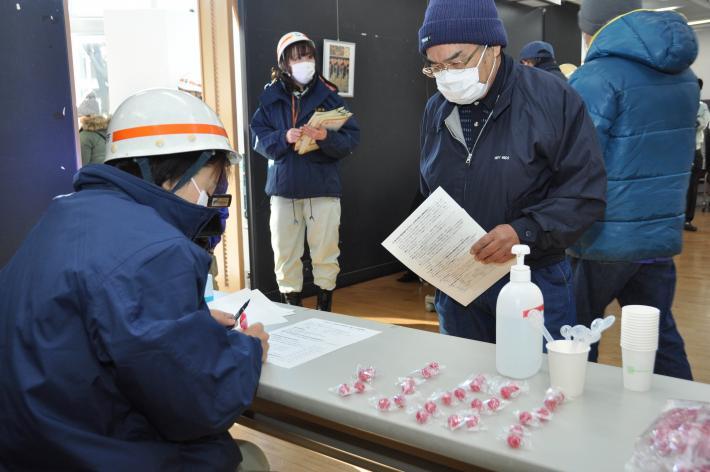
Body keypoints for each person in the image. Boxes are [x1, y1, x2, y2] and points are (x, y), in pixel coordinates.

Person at [0, 89, 270, 470]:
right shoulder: (157, 249)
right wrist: (250, 351)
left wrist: (189, 324)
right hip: (94, 452)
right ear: (174, 174)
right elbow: (198, 404)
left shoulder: (63, 214)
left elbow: (95, 320)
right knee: (250, 460)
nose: (211, 199)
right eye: (209, 186)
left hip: (32, 445)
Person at [417, 0, 606, 343]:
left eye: (457, 61)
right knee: (464, 385)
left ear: (494, 47)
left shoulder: (553, 98)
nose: (447, 75)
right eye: (435, 67)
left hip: (534, 281)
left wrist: (525, 231)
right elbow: (430, 186)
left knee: (539, 388)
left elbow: (584, 192)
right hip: (461, 286)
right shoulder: (436, 110)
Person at [568, 0, 698, 380]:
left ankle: (569, 412)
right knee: (659, 335)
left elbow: (576, 162)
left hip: (602, 236)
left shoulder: (597, 77)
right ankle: (687, 419)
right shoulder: (684, 77)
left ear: (591, 27)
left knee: (575, 333)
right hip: (658, 234)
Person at [250, 31, 360, 311]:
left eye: (308, 56)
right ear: (285, 63)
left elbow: (351, 140)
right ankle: (293, 310)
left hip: (322, 188)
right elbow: (258, 139)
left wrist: (325, 137)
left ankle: (325, 310)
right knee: (285, 254)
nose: (304, 62)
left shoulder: (330, 96)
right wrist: (283, 137)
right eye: (297, 58)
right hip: (283, 189)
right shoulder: (270, 96)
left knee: (325, 252)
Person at [686, 78, 710, 232]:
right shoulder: (678, 105)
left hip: (694, 150)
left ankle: (687, 220)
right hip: (677, 150)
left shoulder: (702, 107)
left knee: (692, 186)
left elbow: (701, 123)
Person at [77, 92, 109, 165]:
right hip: (107, 174)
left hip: (94, 175)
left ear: (84, 117)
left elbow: (81, 167)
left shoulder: (84, 136)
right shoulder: (107, 131)